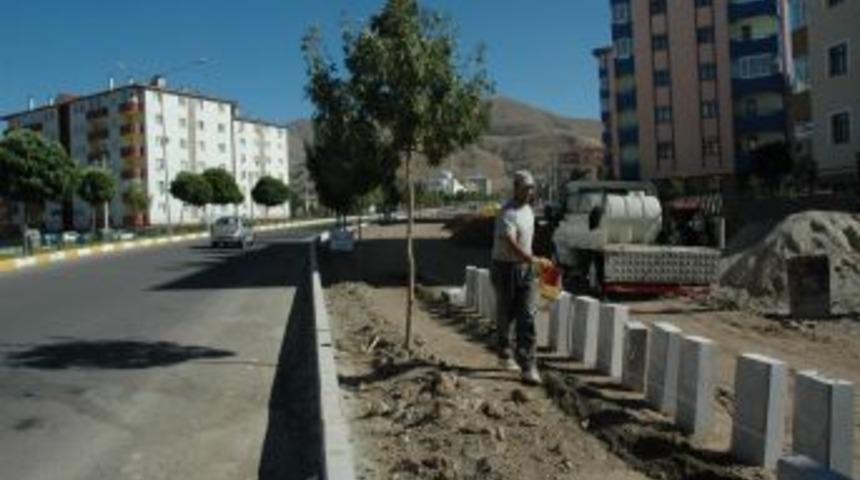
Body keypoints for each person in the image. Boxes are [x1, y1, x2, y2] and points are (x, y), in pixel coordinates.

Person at [490, 170, 552, 385]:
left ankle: (528, 365)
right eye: (526, 188)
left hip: (525, 270)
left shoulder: (529, 211)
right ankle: (504, 351)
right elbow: (510, 242)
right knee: (506, 314)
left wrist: (540, 259)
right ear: (515, 187)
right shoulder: (506, 213)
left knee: (526, 315)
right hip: (505, 268)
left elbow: (528, 240)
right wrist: (532, 259)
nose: (530, 192)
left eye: (532, 188)